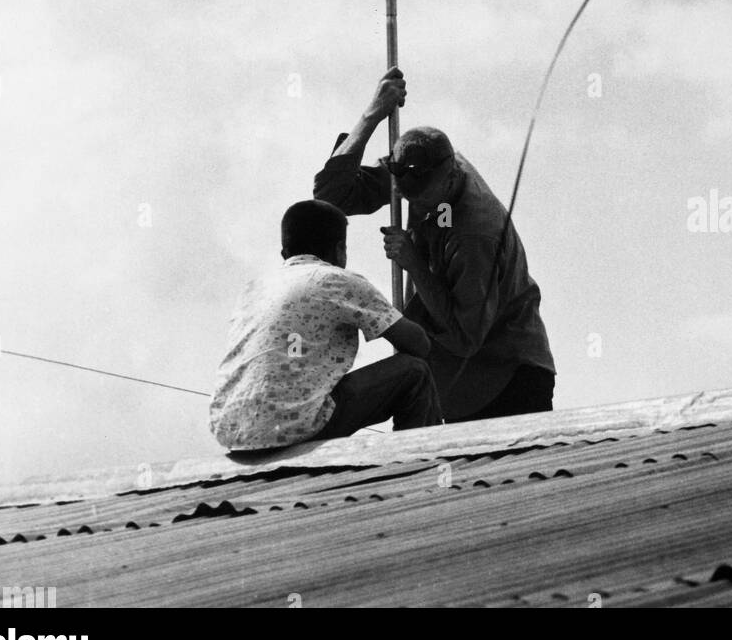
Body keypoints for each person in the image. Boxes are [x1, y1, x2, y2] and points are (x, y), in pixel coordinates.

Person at [313, 68, 556, 423]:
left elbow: (463, 338)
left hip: (505, 380)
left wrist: (414, 264)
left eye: (425, 201)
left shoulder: (475, 234)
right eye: (409, 198)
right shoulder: (416, 170)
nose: (419, 208)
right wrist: (373, 114)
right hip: (455, 384)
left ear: (451, 177)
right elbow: (331, 195)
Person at [210, 198, 440, 454]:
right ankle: (417, 460)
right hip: (295, 427)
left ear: (285, 254)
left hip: (232, 431)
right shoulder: (337, 280)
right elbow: (418, 344)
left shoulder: (253, 290)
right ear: (340, 249)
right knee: (414, 372)